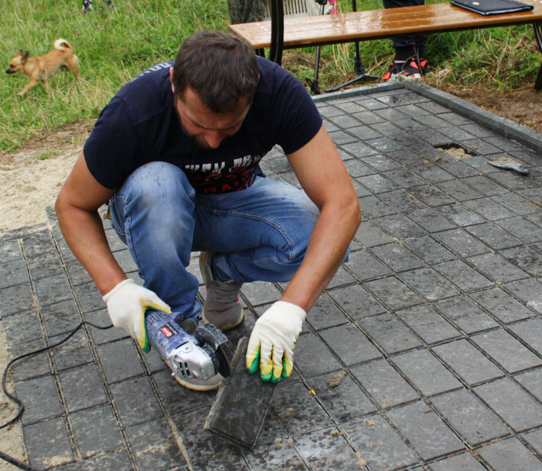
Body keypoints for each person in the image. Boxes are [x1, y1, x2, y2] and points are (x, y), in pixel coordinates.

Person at [55, 31, 359, 392]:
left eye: (229, 126)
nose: (214, 141)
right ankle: (178, 325)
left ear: (253, 93)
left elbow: (342, 205)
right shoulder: (134, 111)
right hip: (155, 210)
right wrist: (114, 288)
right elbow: (72, 205)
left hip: (233, 202)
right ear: (174, 85)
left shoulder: (278, 92)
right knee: (157, 183)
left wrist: (291, 308)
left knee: (324, 238)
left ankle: (223, 271)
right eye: (198, 125)